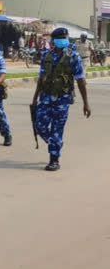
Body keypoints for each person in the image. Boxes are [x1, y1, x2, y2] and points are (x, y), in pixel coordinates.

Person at [32, 27, 91, 171]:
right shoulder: (46, 55)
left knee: (57, 129)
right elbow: (41, 78)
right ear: (53, 40)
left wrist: (86, 103)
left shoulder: (73, 57)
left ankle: (54, 159)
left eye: (65, 38)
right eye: (60, 38)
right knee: (39, 125)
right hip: (45, 98)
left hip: (62, 99)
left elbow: (80, 81)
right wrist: (35, 98)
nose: (63, 40)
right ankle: (55, 142)